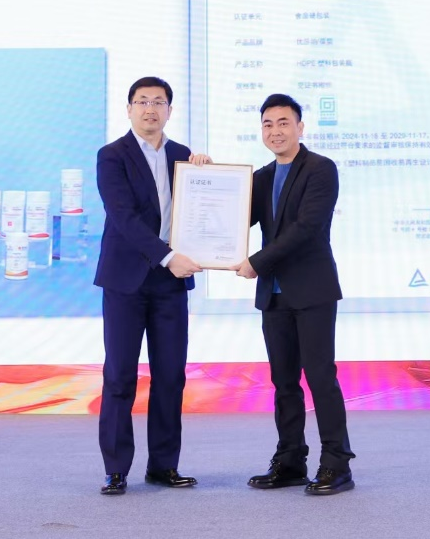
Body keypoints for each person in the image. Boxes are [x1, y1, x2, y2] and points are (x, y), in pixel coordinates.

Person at [234, 93, 355, 495]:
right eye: (268, 124)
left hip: (312, 289)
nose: (275, 131)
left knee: (320, 378)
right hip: (275, 295)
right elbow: (230, 218)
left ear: (300, 127)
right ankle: (289, 461)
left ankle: (337, 464)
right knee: (284, 382)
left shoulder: (321, 169)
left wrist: (256, 262)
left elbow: (306, 228)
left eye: (283, 122)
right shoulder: (263, 177)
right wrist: (202, 175)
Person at [94, 76, 206, 496]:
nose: (150, 109)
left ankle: (163, 466)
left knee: (171, 376)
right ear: (129, 109)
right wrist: (168, 255)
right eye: (142, 101)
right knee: (120, 376)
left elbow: (200, 208)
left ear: (169, 111)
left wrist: (208, 176)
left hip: (170, 283)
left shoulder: (183, 156)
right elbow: (123, 218)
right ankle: (116, 468)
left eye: (159, 102)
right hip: (126, 281)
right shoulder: (112, 156)